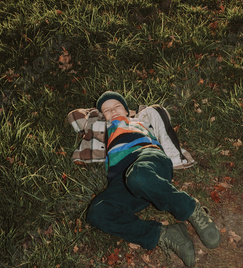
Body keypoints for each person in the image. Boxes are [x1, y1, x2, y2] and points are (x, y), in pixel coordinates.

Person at [86, 91, 221, 267]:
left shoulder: (139, 121)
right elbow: (77, 118)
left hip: (147, 159)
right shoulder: (103, 132)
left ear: (127, 111)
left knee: (139, 176)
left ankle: (191, 209)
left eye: (117, 106)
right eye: (107, 110)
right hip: (120, 180)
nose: (113, 111)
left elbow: (158, 116)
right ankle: (164, 234)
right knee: (97, 213)